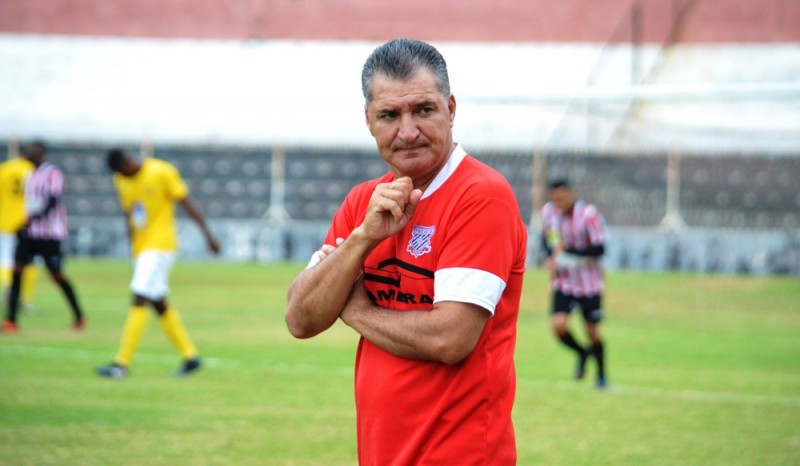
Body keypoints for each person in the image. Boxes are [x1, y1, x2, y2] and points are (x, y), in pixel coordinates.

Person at [285, 38, 528, 465]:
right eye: (389, 115)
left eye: (424, 110)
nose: (408, 131)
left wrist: (355, 310)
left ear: (451, 109)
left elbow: (451, 338)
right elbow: (301, 319)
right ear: (368, 120)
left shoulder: (482, 196)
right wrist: (363, 239)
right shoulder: (364, 202)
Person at [96, 148, 221, 378]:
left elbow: (187, 203)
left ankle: (121, 363)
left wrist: (209, 236)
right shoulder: (120, 180)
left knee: (139, 295)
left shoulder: (161, 171)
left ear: (126, 163)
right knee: (158, 301)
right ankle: (190, 356)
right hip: (142, 249)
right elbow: (129, 213)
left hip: (160, 246)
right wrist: (132, 245)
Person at [3, 141, 85, 333]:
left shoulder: (52, 173)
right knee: (17, 272)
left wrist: (34, 218)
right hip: (28, 233)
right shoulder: (29, 174)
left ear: (41, 153)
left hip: (49, 234)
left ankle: (79, 317)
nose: (27, 153)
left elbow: (53, 200)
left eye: (31, 150)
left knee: (57, 275)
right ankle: (11, 321)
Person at [541, 179, 608, 389]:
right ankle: (582, 352)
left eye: (561, 198)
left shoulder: (589, 215)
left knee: (592, 331)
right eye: (555, 199)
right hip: (564, 281)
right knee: (558, 326)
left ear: (572, 194)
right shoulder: (549, 213)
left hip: (589, 283)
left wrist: (568, 253)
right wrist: (551, 256)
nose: (558, 203)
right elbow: (548, 240)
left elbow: (599, 248)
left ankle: (601, 376)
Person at [0, 145, 39, 312]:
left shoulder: (5, 169)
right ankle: (25, 298)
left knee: (6, 258)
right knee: (28, 260)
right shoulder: (33, 171)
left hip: (4, 220)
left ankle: (9, 290)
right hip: (26, 221)